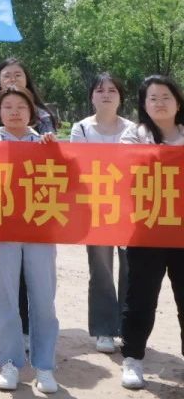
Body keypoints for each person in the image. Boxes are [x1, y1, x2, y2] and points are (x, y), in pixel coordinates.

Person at [0, 84, 60, 394]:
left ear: (32, 111)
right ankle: (9, 363)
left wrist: (55, 152)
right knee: (5, 299)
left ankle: (44, 365)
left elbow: (67, 183)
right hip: (1, 230)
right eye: (8, 106)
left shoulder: (45, 142)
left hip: (40, 228)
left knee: (44, 299)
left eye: (21, 106)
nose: (15, 112)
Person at [118, 75, 184, 390]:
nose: (159, 103)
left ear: (178, 102)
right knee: (141, 298)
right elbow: (126, 173)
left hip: (182, 231)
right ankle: (132, 358)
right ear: (144, 105)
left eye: (166, 97)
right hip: (146, 229)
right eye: (152, 98)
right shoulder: (134, 135)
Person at [70, 73, 134, 356]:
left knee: (132, 269)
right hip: (96, 209)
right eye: (99, 90)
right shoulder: (81, 129)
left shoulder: (134, 129)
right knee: (101, 269)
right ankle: (104, 329)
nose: (106, 94)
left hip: (130, 210)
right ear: (91, 97)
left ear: (121, 96)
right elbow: (80, 167)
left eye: (112, 90)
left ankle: (129, 328)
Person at [0, 59, 56, 136]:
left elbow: (49, 141)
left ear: (26, 80)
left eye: (18, 75)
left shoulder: (41, 114)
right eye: (7, 76)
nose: (13, 79)